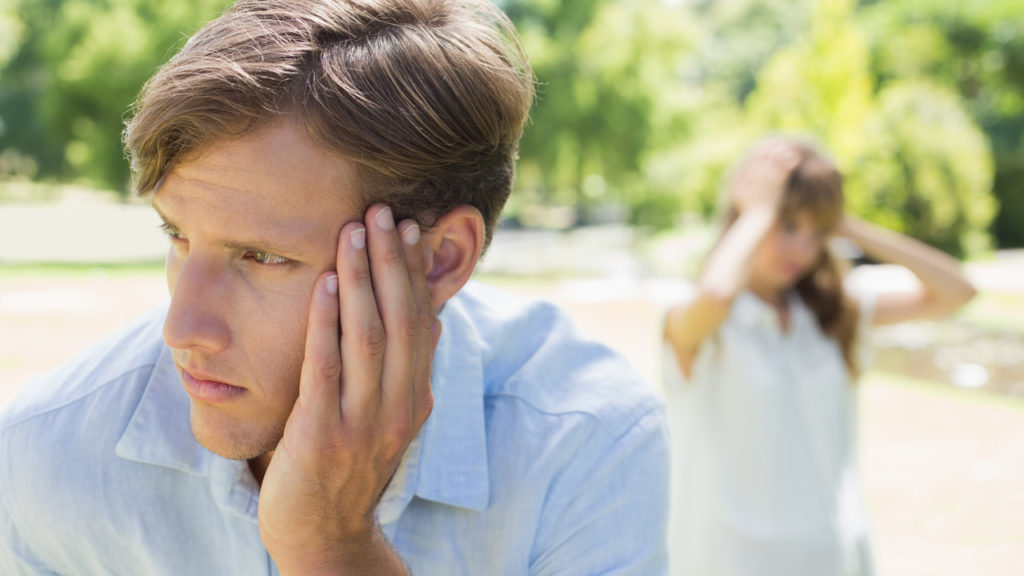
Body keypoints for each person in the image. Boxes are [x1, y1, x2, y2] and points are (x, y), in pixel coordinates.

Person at [0, 1, 670, 574]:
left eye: (261, 256)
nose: (183, 328)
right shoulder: (51, 455)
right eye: (177, 236)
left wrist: (331, 545)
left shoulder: (582, 441)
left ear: (440, 260)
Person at [662, 137, 976, 576]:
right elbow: (716, 294)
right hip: (730, 558)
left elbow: (958, 291)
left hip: (832, 553)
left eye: (817, 233)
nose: (802, 249)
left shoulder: (832, 312)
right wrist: (758, 209)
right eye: (788, 225)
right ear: (745, 218)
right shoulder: (697, 321)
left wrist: (848, 225)